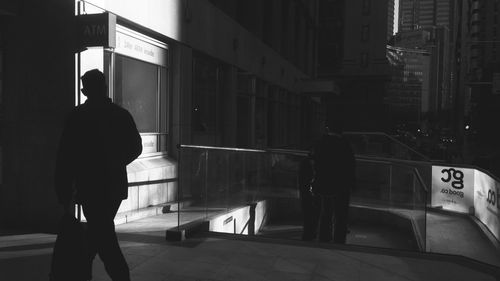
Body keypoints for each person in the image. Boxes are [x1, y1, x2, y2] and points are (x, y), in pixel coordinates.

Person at [55, 69, 142, 281]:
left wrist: (63, 189)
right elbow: (135, 147)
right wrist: (114, 162)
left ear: (84, 91)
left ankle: (86, 271)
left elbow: (65, 157)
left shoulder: (77, 117)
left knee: (100, 236)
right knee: (101, 233)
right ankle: (90, 270)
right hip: (113, 187)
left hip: (89, 186)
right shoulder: (120, 115)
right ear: (104, 88)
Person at [311, 120, 355, 243]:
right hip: (341, 185)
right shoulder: (344, 144)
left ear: (328, 129)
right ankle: (339, 240)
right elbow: (350, 166)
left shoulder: (321, 143)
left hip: (324, 183)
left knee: (325, 212)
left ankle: (324, 238)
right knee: (340, 215)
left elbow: (316, 163)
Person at [298, 154, 320, 241]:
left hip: (306, 191)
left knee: (308, 212)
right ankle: (311, 232)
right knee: (313, 212)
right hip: (311, 191)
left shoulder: (305, 163)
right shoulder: (309, 163)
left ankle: (308, 233)